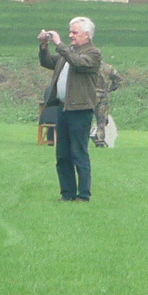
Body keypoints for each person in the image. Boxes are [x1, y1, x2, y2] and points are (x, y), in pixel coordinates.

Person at [38, 17, 102, 202]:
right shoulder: (69, 53)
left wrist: (59, 43)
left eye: (74, 32)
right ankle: (67, 194)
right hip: (63, 108)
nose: (70, 36)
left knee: (79, 153)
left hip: (80, 110)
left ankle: (83, 195)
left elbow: (78, 63)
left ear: (87, 35)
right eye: (70, 32)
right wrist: (44, 46)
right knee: (62, 154)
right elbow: (48, 62)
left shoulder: (93, 53)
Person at [93, 61, 123, 147]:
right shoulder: (108, 68)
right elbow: (118, 80)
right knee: (101, 120)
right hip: (103, 95)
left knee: (85, 118)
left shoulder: (89, 67)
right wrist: (110, 89)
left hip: (90, 95)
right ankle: (100, 141)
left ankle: (82, 140)